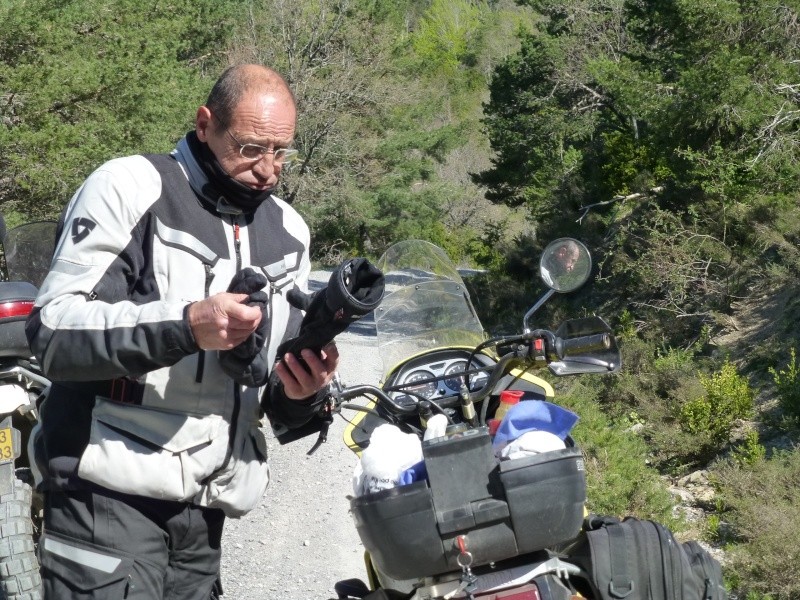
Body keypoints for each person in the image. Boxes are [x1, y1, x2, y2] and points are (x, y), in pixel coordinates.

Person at [25, 64, 339, 600]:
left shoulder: (288, 230)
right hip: (104, 495)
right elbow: (54, 330)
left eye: (282, 151)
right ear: (205, 124)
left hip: (204, 513)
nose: (269, 169)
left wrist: (302, 391)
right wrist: (188, 324)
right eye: (250, 148)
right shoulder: (130, 186)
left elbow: (269, 398)